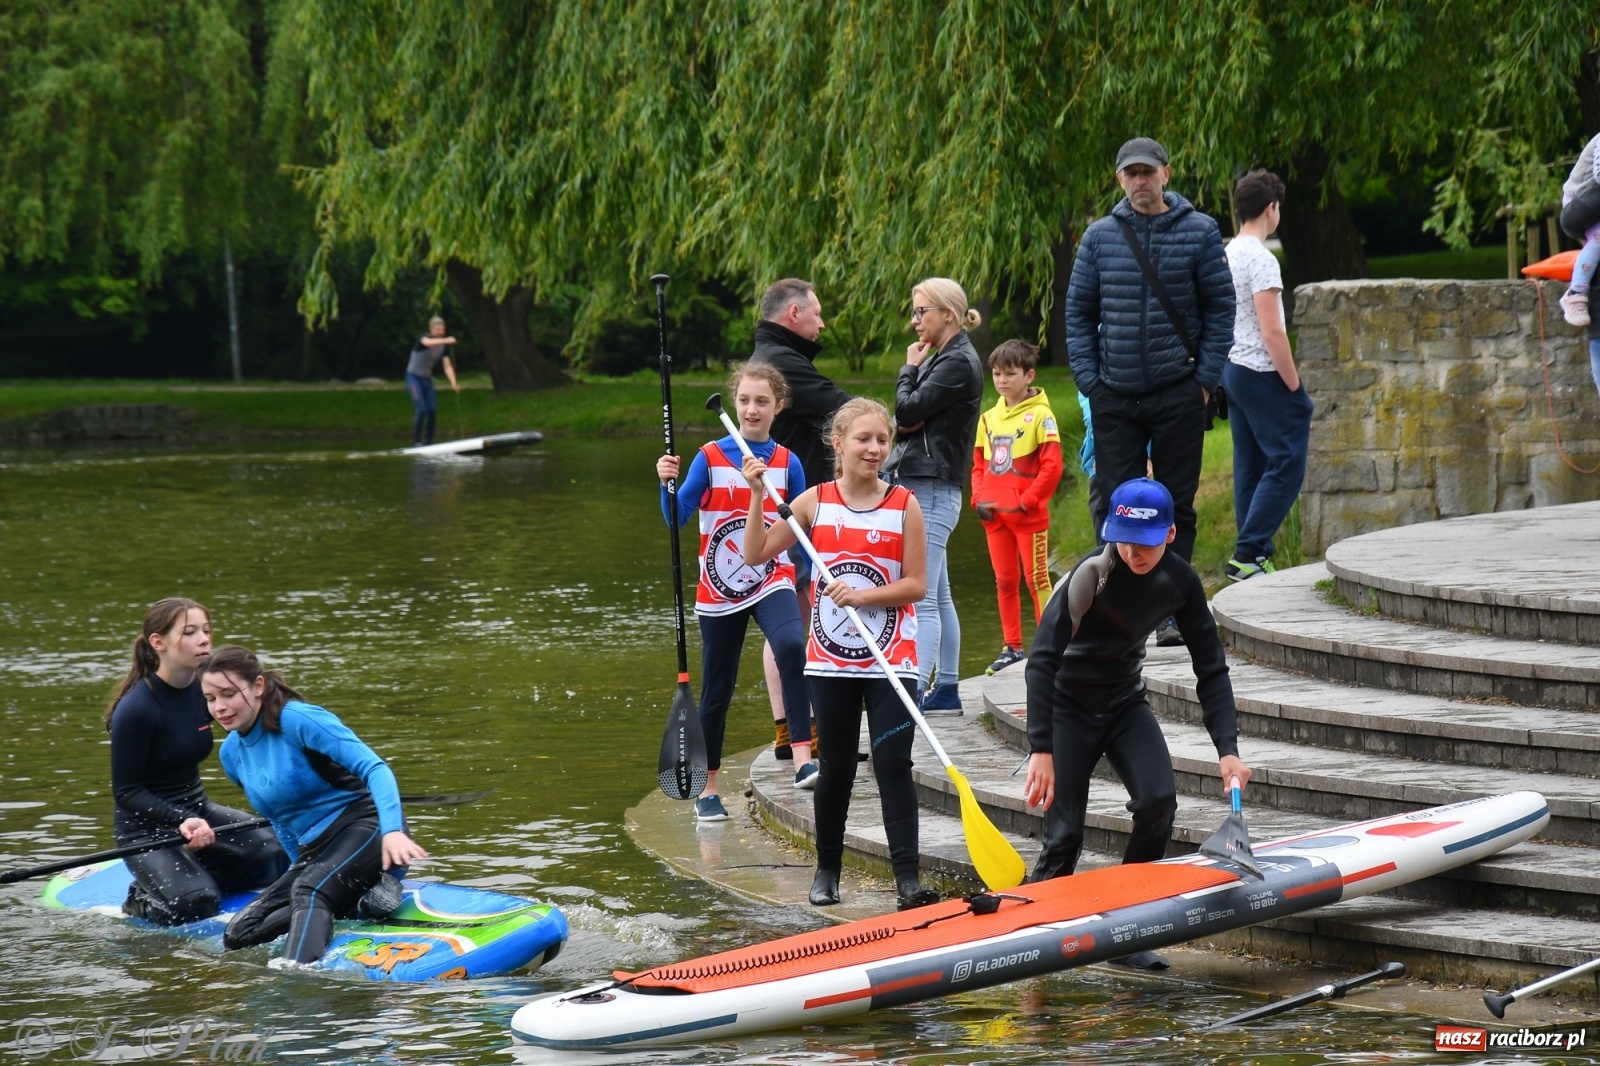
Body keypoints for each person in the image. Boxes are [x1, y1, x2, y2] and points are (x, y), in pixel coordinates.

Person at [1022, 478, 1250, 969]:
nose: (1132, 552)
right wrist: (1041, 747)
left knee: (1158, 804)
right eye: (1123, 540)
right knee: (1065, 836)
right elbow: (1040, 660)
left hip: (1124, 702)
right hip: (1067, 707)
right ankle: (1029, 937)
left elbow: (1211, 668)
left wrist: (1228, 750)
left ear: (1170, 534)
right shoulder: (1092, 572)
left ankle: (1125, 929)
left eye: (1144, 542)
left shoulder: (1181, 582)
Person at [739, 398, 938, 911]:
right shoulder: (814, 502)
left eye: (882, 440)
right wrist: (757, 495)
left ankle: (908, 882)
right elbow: (755, 553)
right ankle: (827, 871)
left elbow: (917, 585)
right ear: (838, 443)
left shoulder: (905, 505)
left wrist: (863, 595)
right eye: (863, 439)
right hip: (831, 665)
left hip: (892, 660)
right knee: (838, 767)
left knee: (893, 764)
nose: (874, 449)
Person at [1066, 137, 1235, 647]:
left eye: (1147, 172)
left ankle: (1170, 610)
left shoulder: (1199, 231)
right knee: (1115, 503)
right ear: (1120, 179)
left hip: (1178, 391)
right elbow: (1078, 314)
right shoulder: (1099, 238)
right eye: (1131, 173)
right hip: (1115, 395)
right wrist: (1091, 383)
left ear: (1166, 173)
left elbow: (1220, 310)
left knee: (1177, 503)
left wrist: (1204, 381)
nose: (1140, 181)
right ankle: (1119, 608)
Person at [655, 362, 815, 821]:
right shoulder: (709, 457)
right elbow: (676, 517)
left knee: (791, 646)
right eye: (744, 400)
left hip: (772, 577)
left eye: (762, 401)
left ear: (778, 407)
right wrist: (665, 483)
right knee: (718, 689)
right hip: (719, 588)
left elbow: (803, 531)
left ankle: (803, 760)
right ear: (735, 403)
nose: (751, 409)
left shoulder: (788, 463)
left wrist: (809, 581)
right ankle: (707, 790)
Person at [200, 645, 428, 967]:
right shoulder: (231, 754)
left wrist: (392, 831)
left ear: (258, 686)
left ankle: (298, 978)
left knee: (309, 890)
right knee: (240, 932)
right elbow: (280, 818)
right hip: (317, 850)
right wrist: (299, 870)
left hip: (367, 827)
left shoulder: (300, 720)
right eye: (210, 698)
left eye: (228, 694)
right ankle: (353, 903)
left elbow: (375, 768)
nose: (219, 707)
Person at [104, 598, 285, 926]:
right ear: (158, 642)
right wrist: (182, 819)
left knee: (277, 855)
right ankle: (143, 894)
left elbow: (254, 719)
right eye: (190, 632)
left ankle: (193, 872)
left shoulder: (206, 690)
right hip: (145, 830)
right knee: (197, 903)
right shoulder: (136, 709)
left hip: (198, 812)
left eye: (206, 631)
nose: (203, 639)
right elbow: (126, 792)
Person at [748, 278, 851, 759]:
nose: (822, 323)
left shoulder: (774, 356)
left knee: (795, 622)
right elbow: (843, 409)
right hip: (793, 510)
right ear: (793, 313)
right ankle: (796, 728)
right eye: (817, 313)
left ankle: (792, 730)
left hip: (790, 506)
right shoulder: (782, 362)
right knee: (798, 620)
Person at [891, 277, 985, 712]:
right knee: (940, 595)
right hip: (929, 484)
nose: (915, 321)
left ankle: (911, 696)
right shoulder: (946, 357)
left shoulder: (956, 362)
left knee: (921, 598)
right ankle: (946, 688)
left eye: (921, 311)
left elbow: (906, 412)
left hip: (930, 487)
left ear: (948, 314)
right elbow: (907, 422)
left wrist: (908, 370)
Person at [1222, 169, 1313, 581]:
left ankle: (1252, 558)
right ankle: (1249, 551)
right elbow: (1272, 331)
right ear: (1271, 208)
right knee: (1288, 458)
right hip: (1259, 370)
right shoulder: (1261, 259)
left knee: (1251, 464)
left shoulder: (1227, 254)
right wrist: (1294, 386)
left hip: (1232, 370)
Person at [969, 339, 1063, 674]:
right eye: (997, 374)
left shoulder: (1042, 416)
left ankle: (1050, 647)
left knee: (1037, 579)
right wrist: (977, 499)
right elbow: (979, 465)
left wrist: (1028, 501)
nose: (1002, 380)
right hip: (994, 516)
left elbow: (1052, 467)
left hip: (1028, 517)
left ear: (1028, 376)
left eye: (1010, 374)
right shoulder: (987, 419)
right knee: (1005, 581)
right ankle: (1012, 647)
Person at [406, 316, 461, 446]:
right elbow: (428, 343)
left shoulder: (443, 346)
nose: (441, 332)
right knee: (422, 410)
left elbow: (447, 366)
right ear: (431, 329)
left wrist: (453, 382)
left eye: (442, 330)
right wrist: (447, 340)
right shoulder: (423, 338)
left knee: (432, 410)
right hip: (414, 378)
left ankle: (429, 442)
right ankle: (417, 441)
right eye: (438, 330)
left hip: (427, 380)